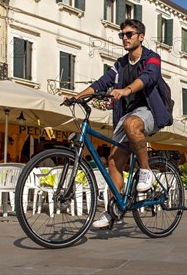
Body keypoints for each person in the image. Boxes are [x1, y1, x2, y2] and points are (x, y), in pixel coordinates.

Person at [72, 19, 172, 229]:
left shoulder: (152, 58)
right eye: (122, 35)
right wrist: (78, 96)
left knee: (132, 124)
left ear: (141, 37)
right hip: (126, 114)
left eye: (129, 34)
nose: (124, 38)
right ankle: (114, 209)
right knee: (113, 163)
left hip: (149, 111)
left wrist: (126, 90)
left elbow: (149, 77)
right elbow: (102, 82)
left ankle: (145, 171)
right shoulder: (120, 65)